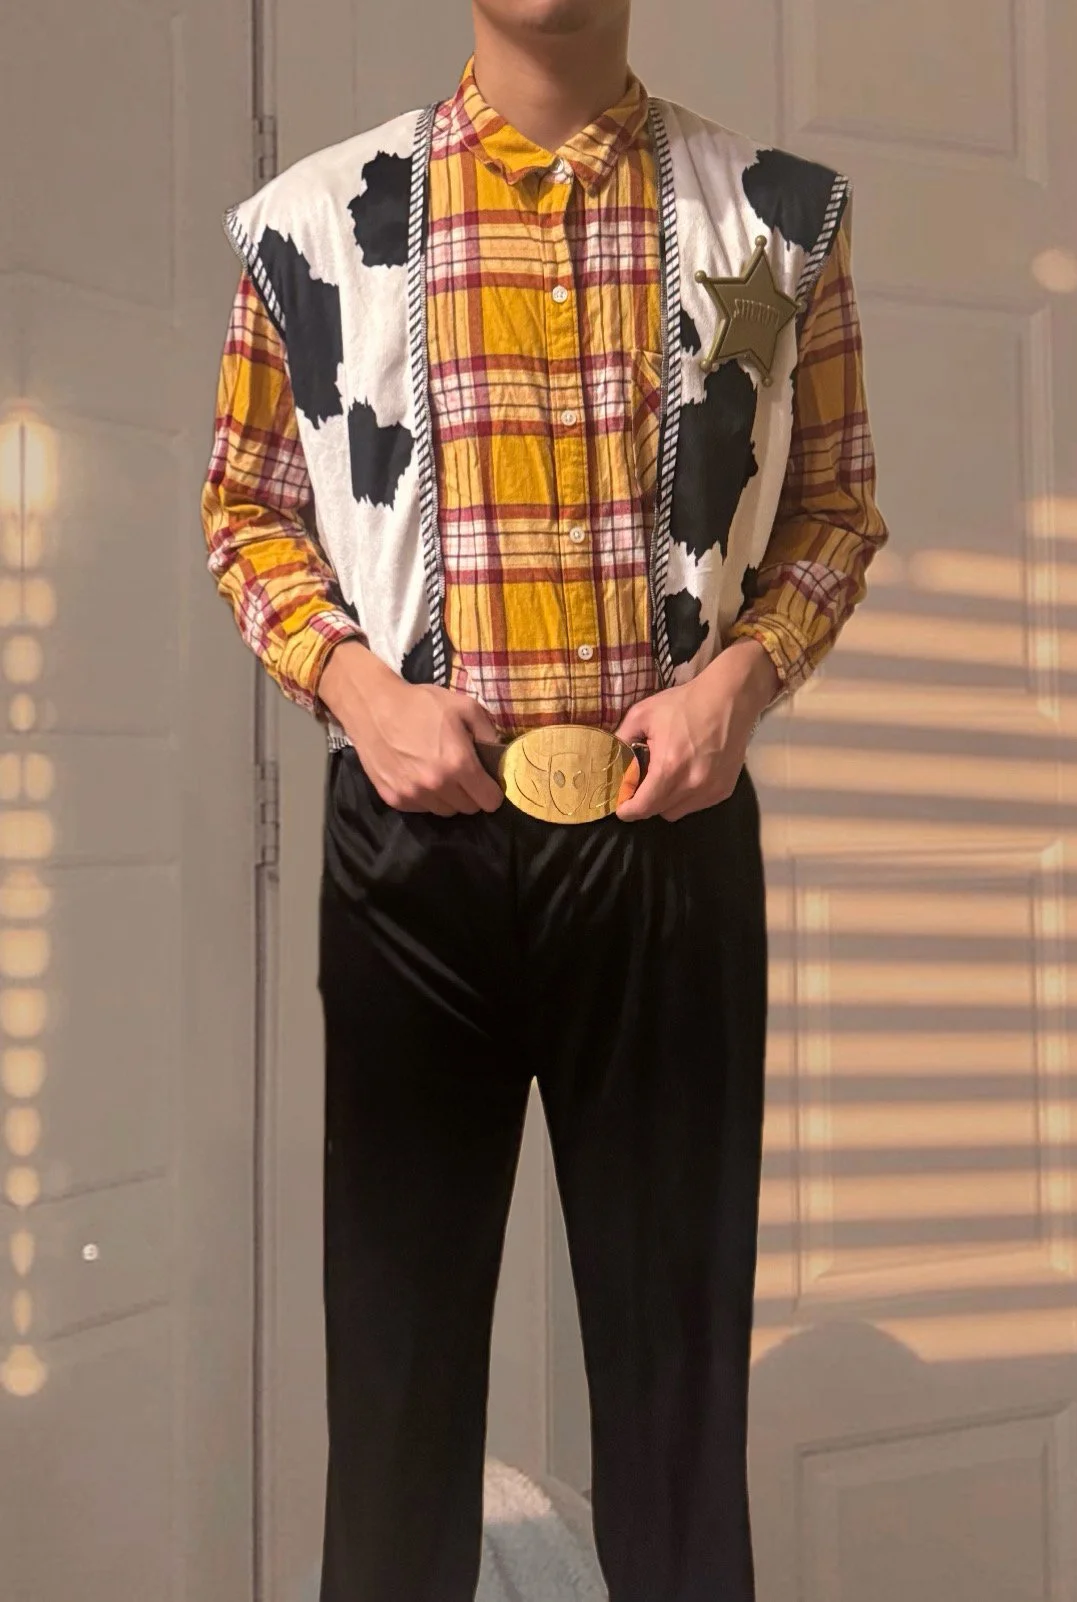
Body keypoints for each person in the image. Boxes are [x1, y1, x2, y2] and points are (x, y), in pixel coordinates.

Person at [200, 3, 888, 1598]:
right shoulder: (315, 220)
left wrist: (740, 679)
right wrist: (359, 692)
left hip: (665, 842)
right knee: (394, 1367)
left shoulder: (778, 216)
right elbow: (246, 506)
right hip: (413, 848)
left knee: (673, 1374)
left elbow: (837, 505)